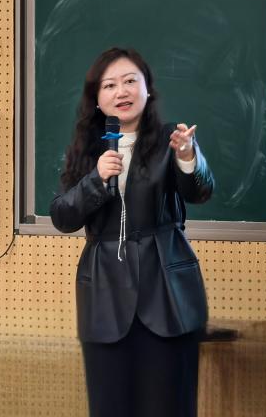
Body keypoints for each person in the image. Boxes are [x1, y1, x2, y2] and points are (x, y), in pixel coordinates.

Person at [50, 47, 214, 417]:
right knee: (110, 406)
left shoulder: (172, 139)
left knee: (168, 405)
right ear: (96, 98)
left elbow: (200, 191)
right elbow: (62, 216)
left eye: (129, 81)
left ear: (147, 89)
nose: (121, 91)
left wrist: (188, 157)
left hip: (167, 294)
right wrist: (96, 178)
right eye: (109, 85)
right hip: (104, 296)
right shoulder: (87, 150)